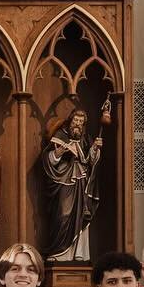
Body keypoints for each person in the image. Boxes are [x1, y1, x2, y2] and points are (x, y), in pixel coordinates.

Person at [40, 107, 104, 260]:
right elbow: (47, 159)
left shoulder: (85, 139)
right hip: (63, 182)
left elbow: (90, 162)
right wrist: (57, 154)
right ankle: (59, 253)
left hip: (81, 183)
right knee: (62, 215)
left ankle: (78, 253)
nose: (77, 124)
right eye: (76, 120)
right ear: (70, 120)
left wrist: (95, 149)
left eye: (81, 122)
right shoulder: (60, 135)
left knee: (80, 216)